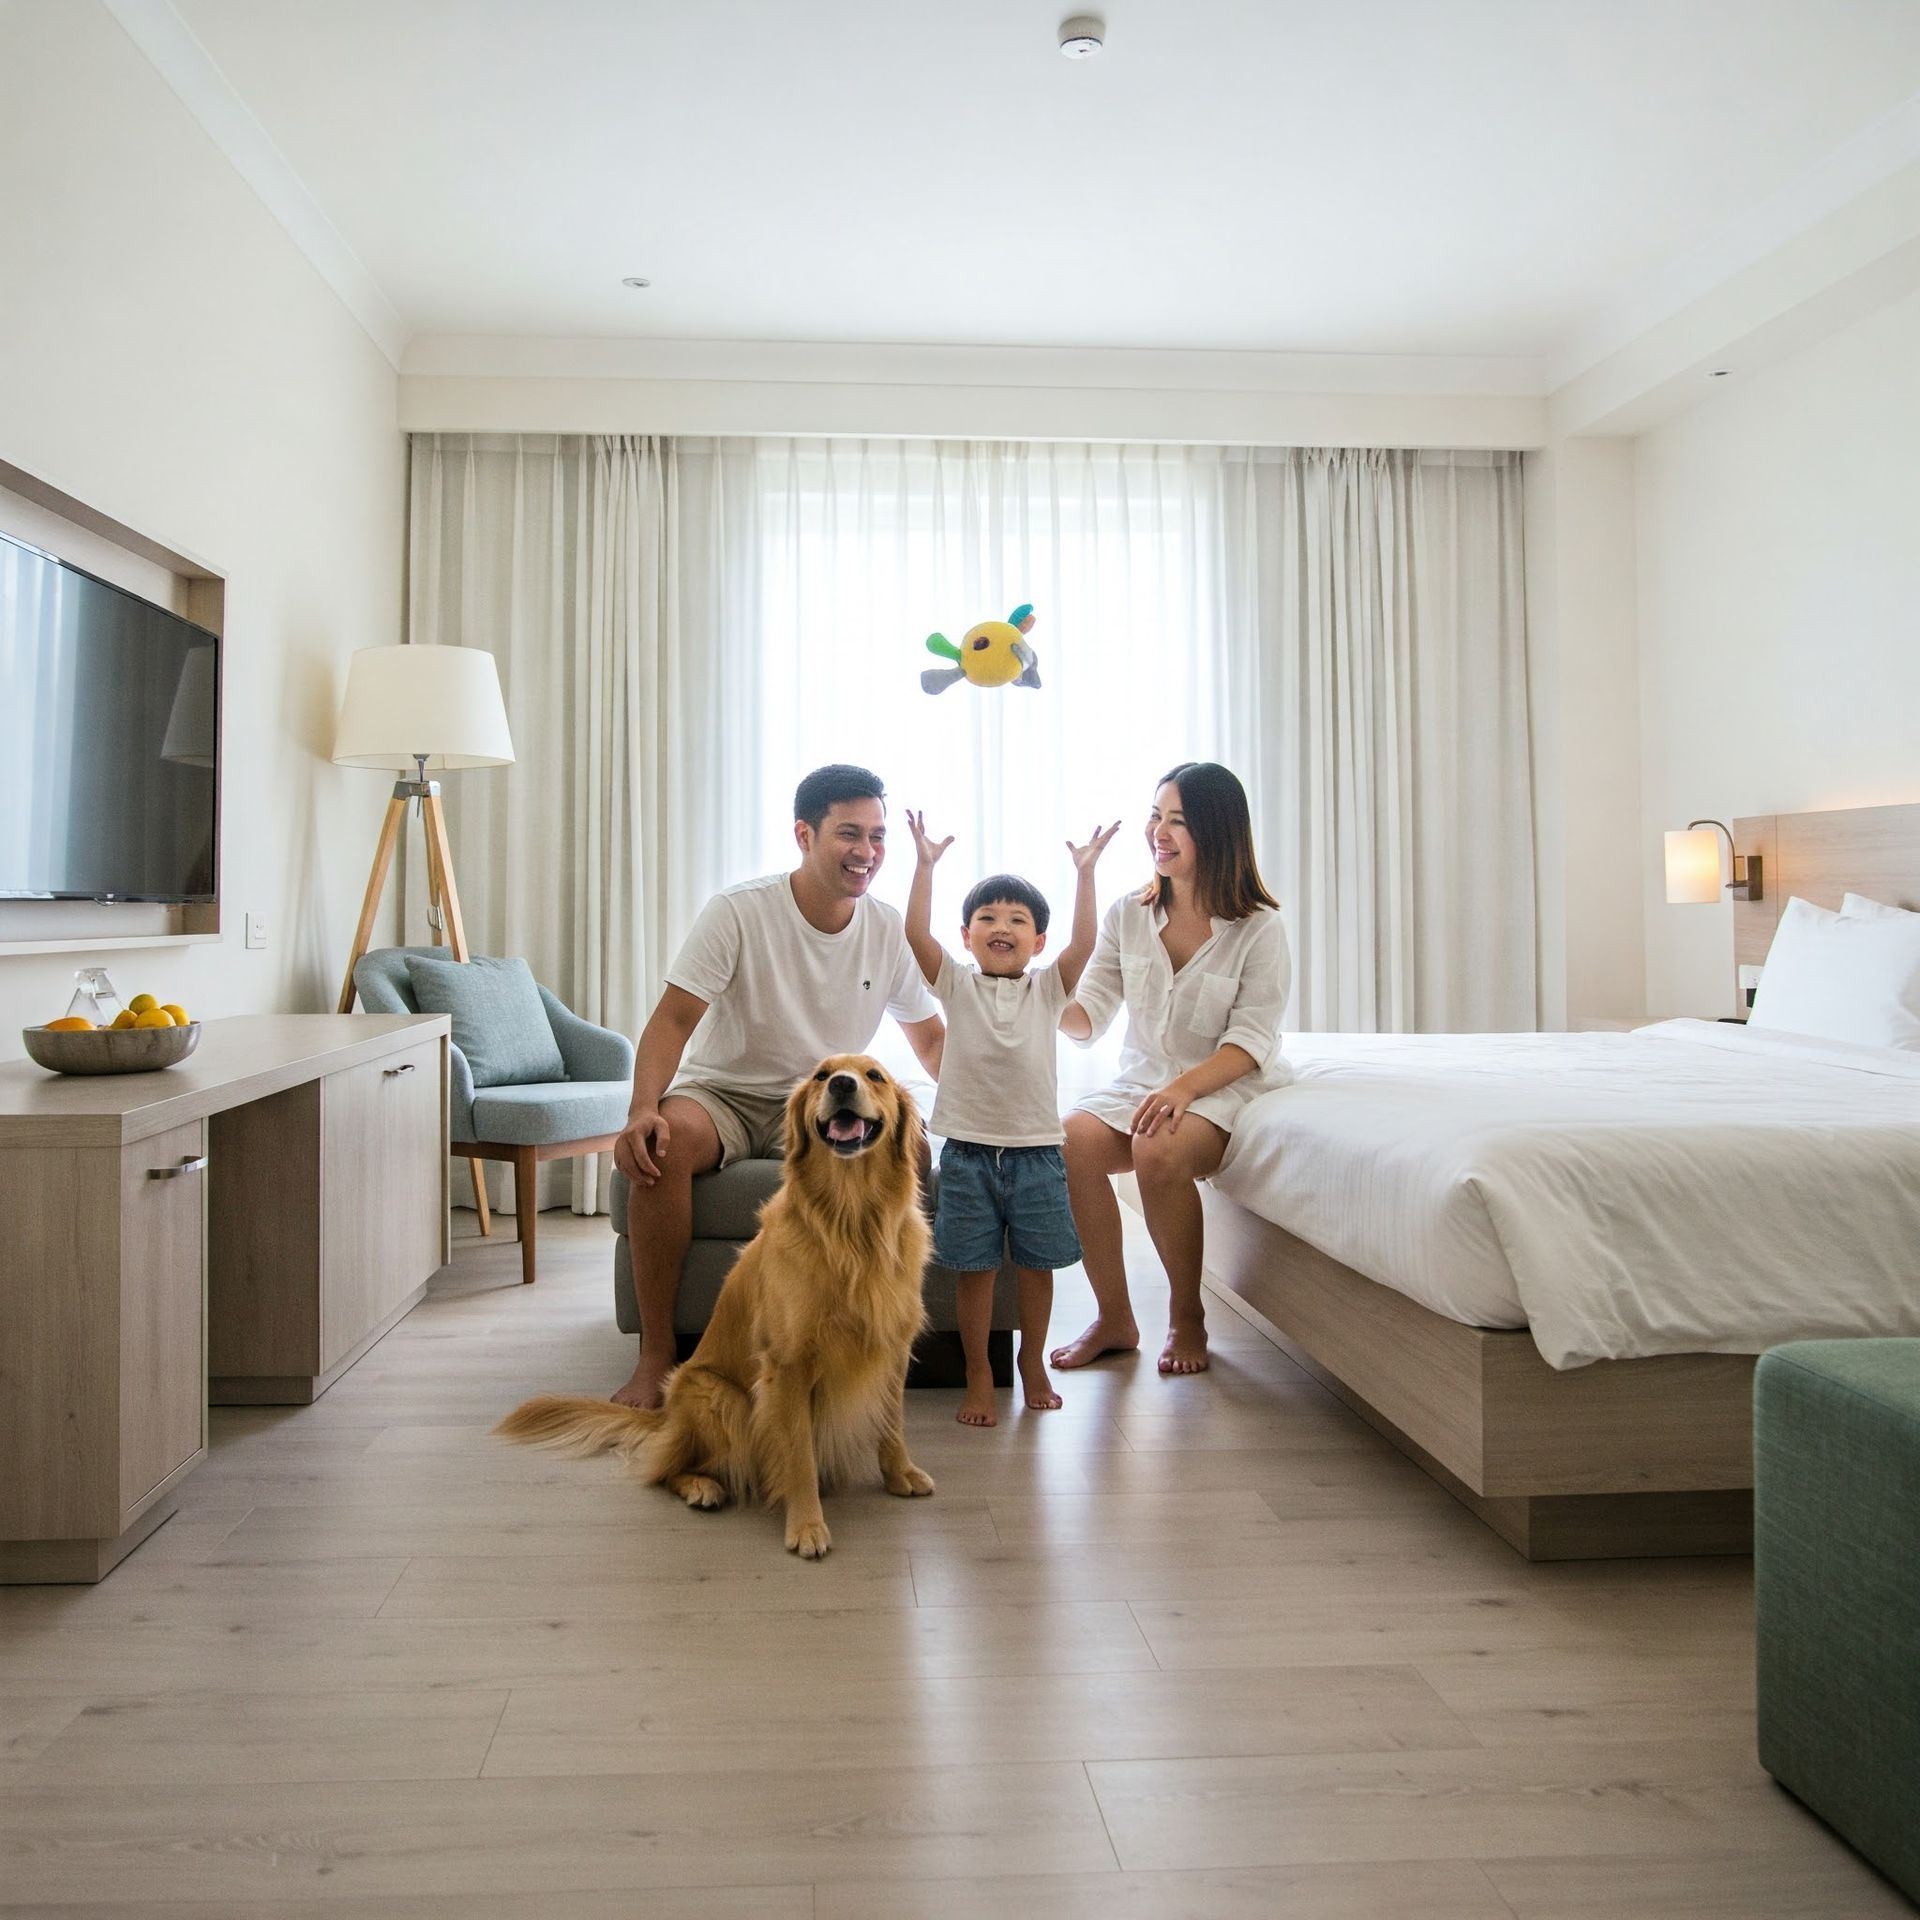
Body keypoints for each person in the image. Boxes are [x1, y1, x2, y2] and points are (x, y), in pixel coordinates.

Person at [608, 764, 944, 1408]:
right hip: (725, 1094)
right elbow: (674, 1018)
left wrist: (988, 1105)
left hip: (829, 1099)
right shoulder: (738, 911)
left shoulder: (887, 928)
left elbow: (930, 1041)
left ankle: (876, 1338)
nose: (866, 853)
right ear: (804, 834)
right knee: (666, 1144)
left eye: (877, 837)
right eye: (850, 834)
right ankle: (656, 1354)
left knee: (918, 1146)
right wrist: (642, 1109)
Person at [1051, 762, 1291, 1379]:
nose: (1159, 831)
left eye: (1177, 821)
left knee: (1156, 1146)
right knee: (1067, 1142)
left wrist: (1183, 1088)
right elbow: (1088, 1018)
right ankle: (1115, 1318)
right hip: (1144, 1084)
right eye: (1155, 816)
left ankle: (1188, 1316)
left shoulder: (1258, 930)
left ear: (1217, 832)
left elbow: (1251, 1040)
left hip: (1223, 1087)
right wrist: (1036, 996)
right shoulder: (1128, 914)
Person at [904, 812, 1120, 1425]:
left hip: (1037, 1155)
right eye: (988, 919)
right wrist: (924, 866)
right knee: (972, 1270)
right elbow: (915, 934)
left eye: (1018, 920)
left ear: (1037, 942)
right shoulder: (956, 985)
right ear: (968, 936)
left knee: (1036, 1265)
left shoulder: (1048, 989)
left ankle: (1031, 1362)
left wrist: (1085, 874)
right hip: (969, 1154)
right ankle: (980, 1370)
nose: (1003, 926)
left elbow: (1087, 945)